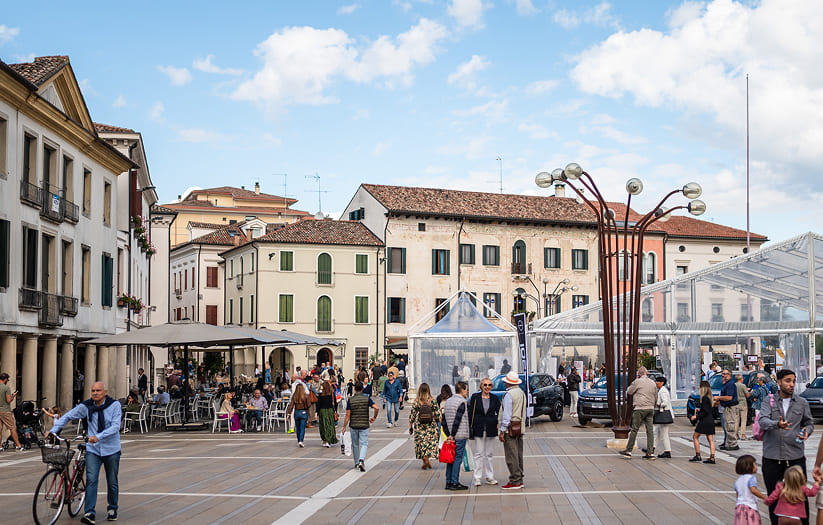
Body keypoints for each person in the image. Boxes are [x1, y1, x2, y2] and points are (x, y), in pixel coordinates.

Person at [48, 381, 122, 524]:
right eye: (93, 390)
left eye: (98, 391)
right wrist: (53, 430)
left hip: (111, 449)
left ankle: (112, 508)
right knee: (91, 480)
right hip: (93, 450)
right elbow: (68, 416)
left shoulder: (114, 405)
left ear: (105, 392)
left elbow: (115, 427)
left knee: (112, 481)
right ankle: (89, 512)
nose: (95, 393)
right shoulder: (86, 406)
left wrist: (98, 436)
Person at [760, 369, 814, 525]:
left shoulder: (802, 403)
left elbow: (809, 423)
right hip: (772, 458)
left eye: (793, 381)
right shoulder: (768, 402)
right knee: (774, 498)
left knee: (800, 497)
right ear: (778, 382)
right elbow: (762, 421)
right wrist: (776, 424)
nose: (791, 385)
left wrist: (806, 432)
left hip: (795, 458)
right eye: (787, 381)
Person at [619, 366, 658, 460]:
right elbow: (656, 395)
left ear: (638, 374)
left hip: (639, 408)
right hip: (650, 408)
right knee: (650, 431)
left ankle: (628, 451)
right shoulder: (652, 383)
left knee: (634, 429)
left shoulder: (637, 382)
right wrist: (654, 404)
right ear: (647, 373)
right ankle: (650, 452)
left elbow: (629, 391)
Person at [468, 377, 500, 486]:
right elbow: (470, 412)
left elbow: (498, 412)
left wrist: (497, 423)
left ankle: (489, 476)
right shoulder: (475, 397)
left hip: (491, 428)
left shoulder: (495, 398)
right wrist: (470, 426)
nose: (487, 387)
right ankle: (477, 477)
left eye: (489, 385)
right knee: (478, 453)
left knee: (489, 454)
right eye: (485, 385)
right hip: (478, 427)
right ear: (481, 386)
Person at [342, 381, 379, 471]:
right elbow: (376, 407)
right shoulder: (366, 398)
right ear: (362, 388)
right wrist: (374, 417)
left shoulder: (350, 400)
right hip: (364, 424)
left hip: (353, 425)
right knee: (364, 443)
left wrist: (344, 427)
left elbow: (348, 415)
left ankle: (356, 463)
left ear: (354, 389)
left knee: (355, 444)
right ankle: (362, 459)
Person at [499, 371, 526, 490]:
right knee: (518, 453)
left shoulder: (509, 395)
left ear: (508, 383)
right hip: (520, 427)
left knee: (511, 454)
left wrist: (502, 430)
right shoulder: (521, 393)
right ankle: (519, 477)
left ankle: (515, 480)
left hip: (510, 427)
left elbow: (506, 414)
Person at [442, 381, 470, 491]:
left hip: (450, 435)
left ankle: (448, 482)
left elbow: (443, 419)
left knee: (450, 458)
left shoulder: (448, 401)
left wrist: (448, 434)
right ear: (462, 390)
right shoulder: (462, 402)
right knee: (457, 459)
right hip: (459, 434)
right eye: (466, 389)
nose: (467, 391)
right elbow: (458, 419)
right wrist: (453, 434)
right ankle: (455, 482)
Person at [409, 383, 440, 470]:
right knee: (430, 442)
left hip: (419, 425)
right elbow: (438, 414)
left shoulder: (417, 401)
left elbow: (412, 414)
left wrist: (410, 426)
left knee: (421, 443)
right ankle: (427, 457)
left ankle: (424, 459)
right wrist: (442, 424)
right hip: (431, 425)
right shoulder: (432, 400)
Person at [690, 380, 717, 463]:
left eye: (699, 386)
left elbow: (705, 412)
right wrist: (700, 409)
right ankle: (712, 457)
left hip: (704, 421)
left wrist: (696, 416)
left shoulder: (704, 398)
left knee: (695, 436)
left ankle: (698, 455)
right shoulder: (709, 397)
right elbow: (709, 410)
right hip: (710, 420)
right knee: (710, 439)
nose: (698, 387)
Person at [734, 455, 766, 525]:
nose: (756, 467)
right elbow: (753, 490)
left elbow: (737, 495)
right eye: (754, 464)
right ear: (749, 466)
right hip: (750, 507)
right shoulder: (751, 478)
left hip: (739, 507)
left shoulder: (738, 480)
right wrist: (765, 497)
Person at [0, 372, 24, 452]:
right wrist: (13, 395)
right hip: (5, 410)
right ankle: (18, 445)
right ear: (5, 379)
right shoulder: (6, 388)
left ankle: (0, 447)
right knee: (12, 428)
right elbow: (8, 400)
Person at [718, 368, 741, 451]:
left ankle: (733, 444)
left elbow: (729, 397)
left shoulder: (730, 384)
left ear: (729, 375)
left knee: (730, 425)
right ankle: (728, 442)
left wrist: (719, 397)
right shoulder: (726, 384)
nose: (723, 376)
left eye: (725, 374)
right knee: (727, 426)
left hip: (731, 407)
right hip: (727, 407)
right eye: (722, 374)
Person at [653, 376, 674, 459]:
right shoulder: (661, 390)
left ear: (662, 383)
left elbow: (665, 402)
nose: (656, 382)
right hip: (663, 415)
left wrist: (659, 405)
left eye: (657, 381)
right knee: (657, 432)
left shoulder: (663, 391)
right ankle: (652, 448)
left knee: (664, 434)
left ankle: (667, 451)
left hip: (664, 415)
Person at [317, 372, 338, 448]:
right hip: (329, 410)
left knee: (323, 426)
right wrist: (335, 410)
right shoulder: (331, 394)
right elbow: (335, 403)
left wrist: (317, 412)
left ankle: (325, 440)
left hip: (322, 411)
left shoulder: (321, 395)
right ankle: (329, 439)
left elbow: (318, 404)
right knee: (329, 425)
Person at [736, 373, 751, 440]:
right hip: (743, 403)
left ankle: (736, 434)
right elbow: (747, 395)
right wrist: (749, 392)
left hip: (736, 404)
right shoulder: (743, 386)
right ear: (741, 379)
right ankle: (742, 434)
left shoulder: (734, 385)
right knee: (743, 420)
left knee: (736, 420)